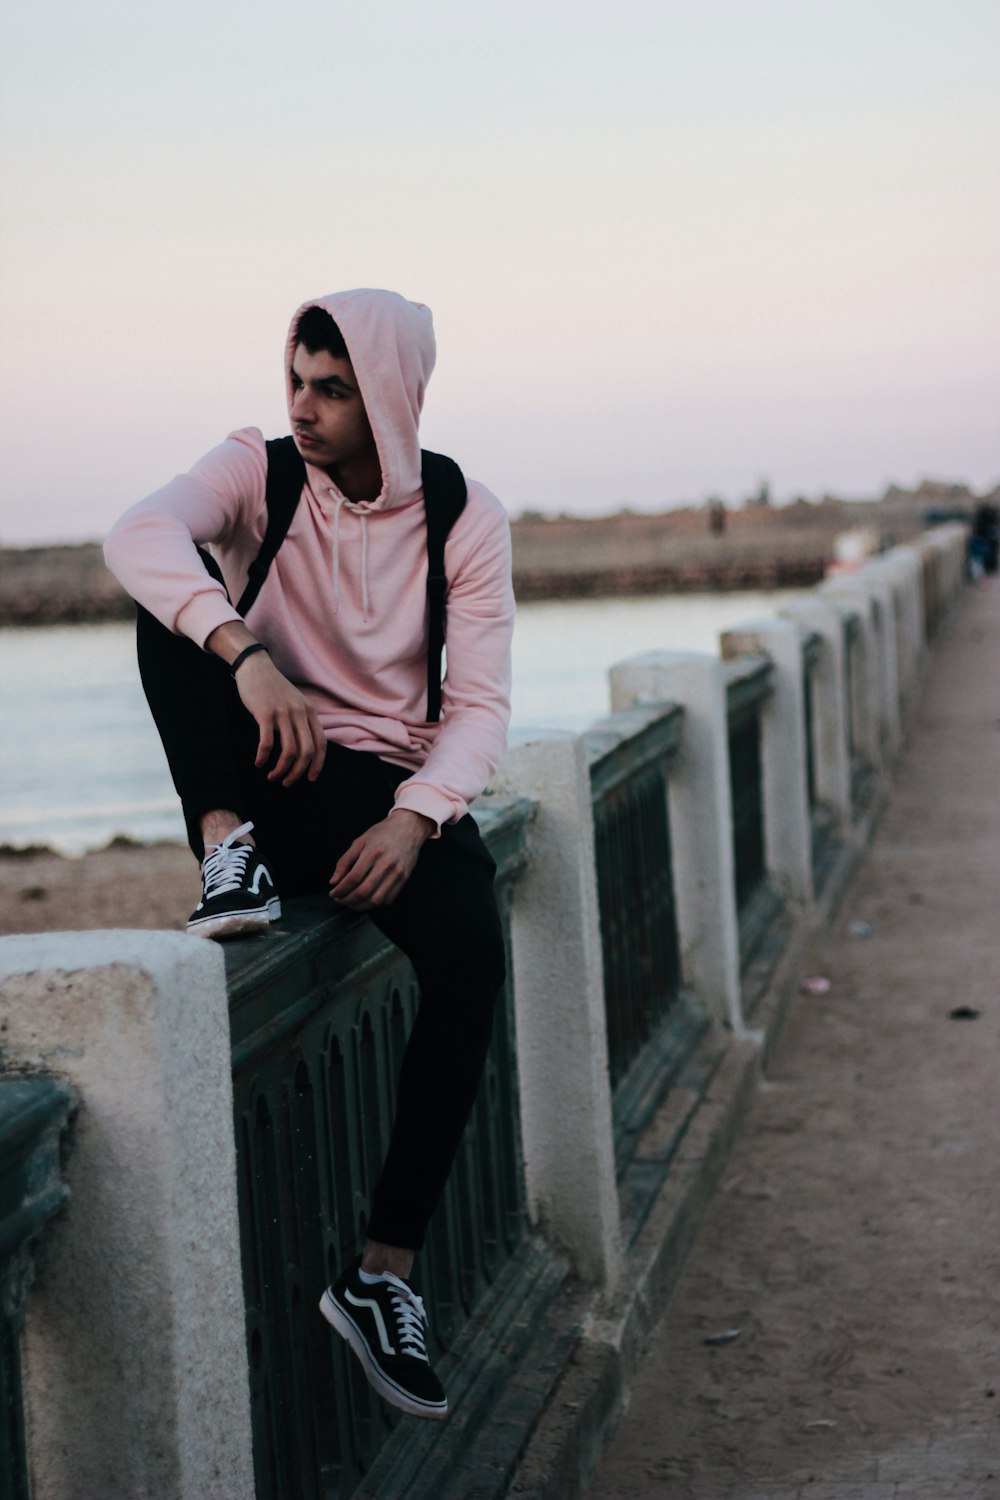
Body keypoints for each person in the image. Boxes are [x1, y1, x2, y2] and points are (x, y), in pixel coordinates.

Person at [104, 288, 515, 1421]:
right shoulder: (260, 467)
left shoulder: (461, 515)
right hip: (267, 769)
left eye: (331, 390)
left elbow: (479, 707)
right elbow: (136, 535)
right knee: (169, 599)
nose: (304, 409)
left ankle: (382, 1278)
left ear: (387, 395)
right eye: (296, 381)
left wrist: (416, 817)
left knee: (471, 953)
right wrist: (242, 650)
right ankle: (221, 852)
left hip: (380, 790)